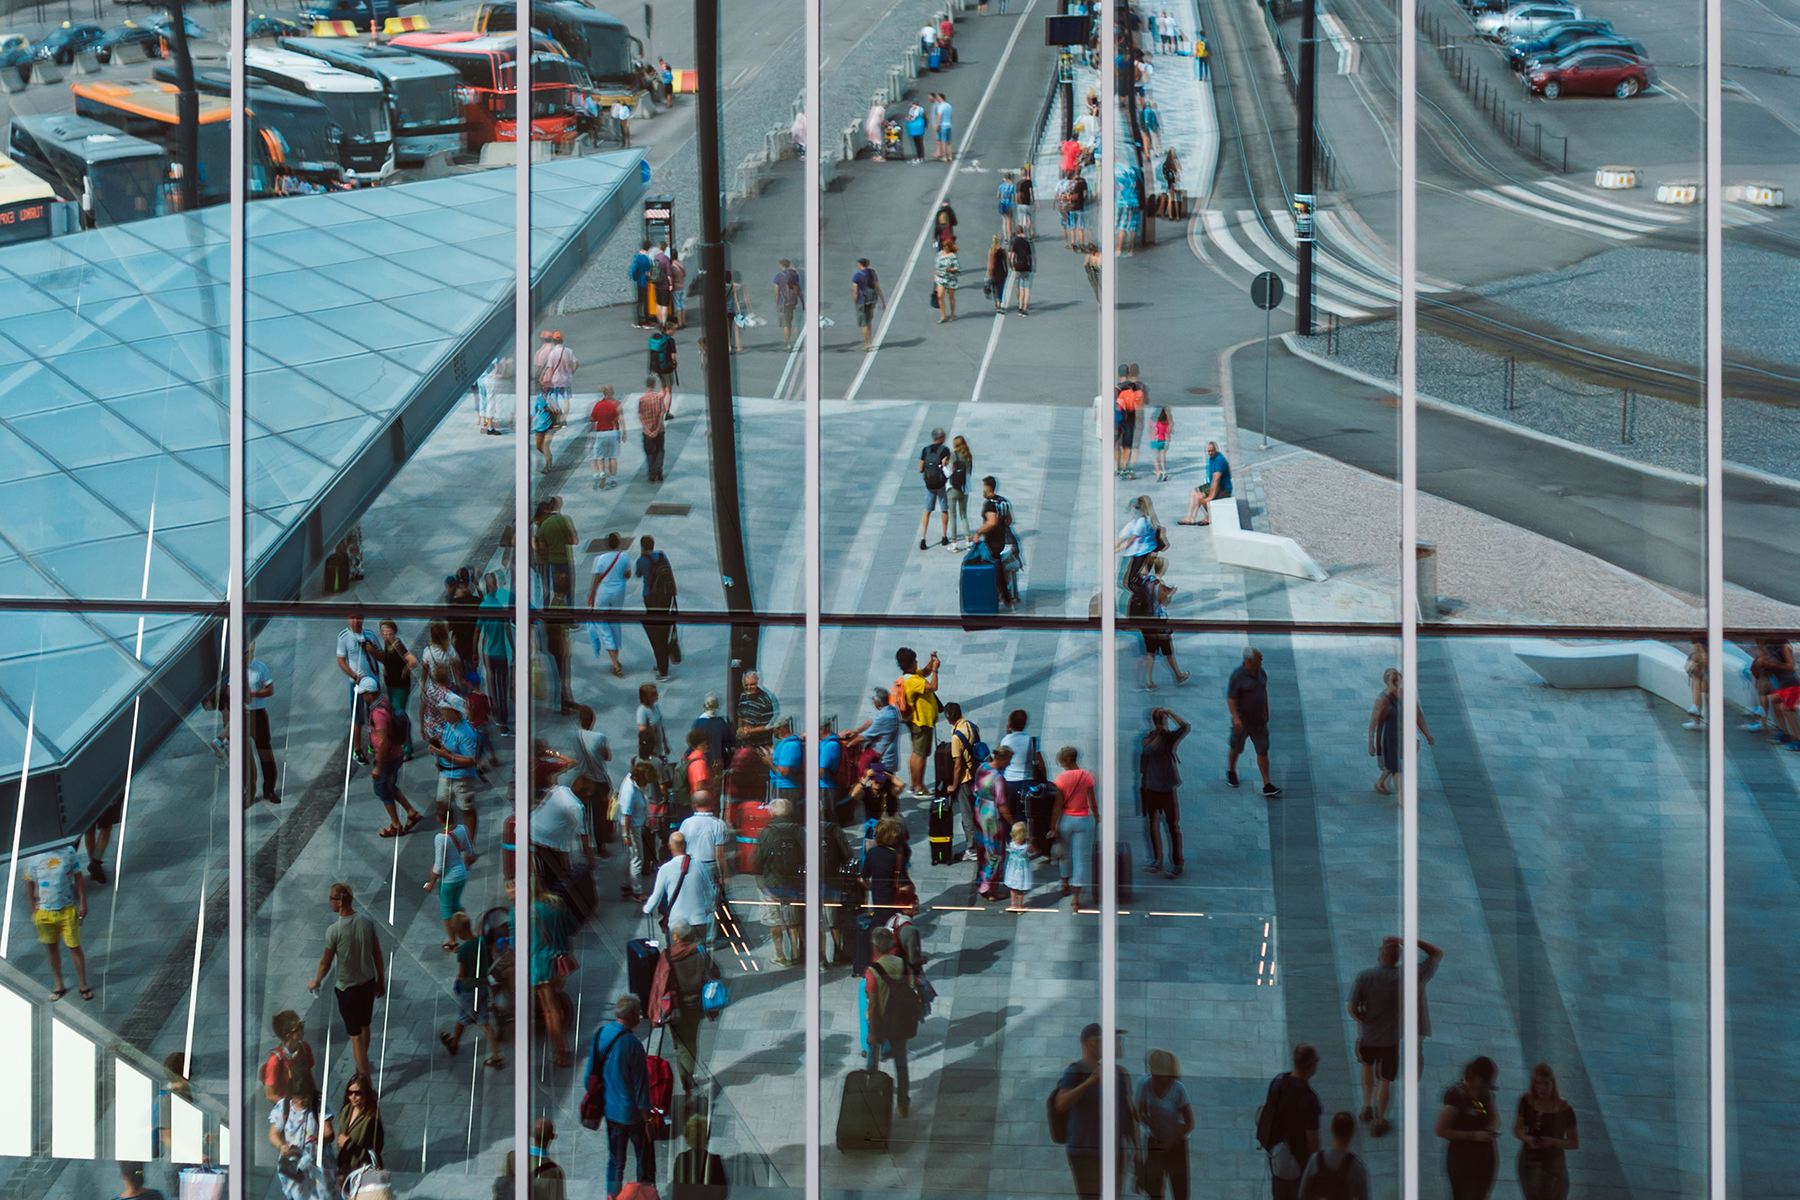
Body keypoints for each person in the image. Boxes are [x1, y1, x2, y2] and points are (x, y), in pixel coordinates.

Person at [306, 883, 384, 1081]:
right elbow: (377, 953)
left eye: (331, 898)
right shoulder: (367, 921)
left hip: (347, 990)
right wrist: (381, 979)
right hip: (367, 982)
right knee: (365, 1025)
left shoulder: (334, 930)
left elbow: (326, 962)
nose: (329, 901)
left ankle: (365, 1082)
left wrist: (316, 981)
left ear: (340, 902)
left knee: (355, 1036)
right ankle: (361, 1065)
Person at [1054, 1023, 1136, 1200]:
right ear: (1091, 1043)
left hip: (1114, 1151)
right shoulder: (1075, 1071)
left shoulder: (1119, 1073)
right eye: (1110, 1039)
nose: (1116, 1043)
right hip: (1084, 1151)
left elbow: (1128, 1114)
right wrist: (1089, 1082)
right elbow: (1061, 1103)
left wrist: (1137, 1150)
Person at [588, 995, 656, 1197]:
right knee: (644, 1160)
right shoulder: (634, 1045)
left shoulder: (600, 1035)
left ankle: (612, 1196)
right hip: (634, 1117)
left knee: (616, 1162)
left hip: (612, 1113)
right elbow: (642, 1091)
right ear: (633, 1014)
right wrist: (649, 1121)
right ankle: (643, 1195)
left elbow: (589, 1077)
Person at [24, 841, 90, 1000]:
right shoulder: (33, 856)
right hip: (45, 913)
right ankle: (58, 984)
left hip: (66, 909)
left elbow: (78, 876)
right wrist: (33, 908)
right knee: (51, 947)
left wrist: (82, 901)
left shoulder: (68, 851)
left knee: (74, 947)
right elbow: (30, 883)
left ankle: (83, 985)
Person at [439, 910, 502, 1067]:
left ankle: (454, 1044)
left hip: (469, 989)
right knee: (485, 1021)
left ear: (459, 932)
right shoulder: (481, 941)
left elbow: (462, 972)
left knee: (462, 1019)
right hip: (483, 986)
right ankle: (496, 1054)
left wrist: (457, 984)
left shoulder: (463, 950)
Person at [863, 927, 914, 1118]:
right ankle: (903, 1104)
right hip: (899, 1019)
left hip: (880, 1021)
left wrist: (873, 1032)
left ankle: (871, 1099)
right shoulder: (901, 963)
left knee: (872, 1063)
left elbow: (874, 1004)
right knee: (901, 1064)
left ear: (875, 946)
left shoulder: (872, 971)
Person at [366, 679, 425, 839]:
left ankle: (396, 826)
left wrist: (378, 766)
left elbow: (383, 741)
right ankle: (411, 813)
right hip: (396, 753)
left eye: (364, 693)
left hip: (387, 758)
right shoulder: (384, 701)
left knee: (383, 790)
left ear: (370, 693)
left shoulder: (378, 712)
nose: (363, 697)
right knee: (391, 786)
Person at [1264, 1044, 1322, 1200]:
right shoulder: (1309, 1099)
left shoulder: (1278, 1082)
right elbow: (1313, 1141)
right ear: (1311, 1066)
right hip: (1299, 1165)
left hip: (1276, 1157)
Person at [1437, 1057, 1500, 1200]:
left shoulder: (1485, 1095)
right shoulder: (1455, 1096)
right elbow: (1441, 1130)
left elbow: (1493, 1116)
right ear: (1475, 1077)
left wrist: (1491, 1125)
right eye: (1484, 1083)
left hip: (1484, 1158)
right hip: (1462, 1159)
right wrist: (1472, 1135)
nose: (1486, 1087)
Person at [1514, 1063, 1578, 1200]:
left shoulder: (1564, 1108)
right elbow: (1518, 1129)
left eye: (1546, 1084)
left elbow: (1574, 1142)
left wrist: (1553, 1142)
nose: (1542, 1088)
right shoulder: (1527, 1101)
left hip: (1553, 1160)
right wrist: (1529, 1139)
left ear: (1552, 1084)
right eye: (1538, 1083)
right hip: (1530, 1158)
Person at [1137, 1049, 1194, 1200]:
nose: (1154, 1074)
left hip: (1176, 1145)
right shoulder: (1146, 1085)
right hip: (1155, 1142)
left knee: (1180, 1189)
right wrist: (1149, 1121)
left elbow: (1189, 1123)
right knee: (1154, 1189)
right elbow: (1140, 1111)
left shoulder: (1178, 1089)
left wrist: (1170, 1144)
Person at [754, 797, 805, 966]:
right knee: (793, 921)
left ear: (771, 813)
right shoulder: (798, 830)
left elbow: (756, 861)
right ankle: (796, 954)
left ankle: (780, 955)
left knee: (774, 922)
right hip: (793, 883)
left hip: (771, 886)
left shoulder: (766, 832)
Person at [268, 1074, 335, 1200]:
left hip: (318, 1166)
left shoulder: (318, 1105)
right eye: (296, 1099)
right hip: (294, 1165)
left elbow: (330, 1134)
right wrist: (281, 1146)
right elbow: (273, 1134)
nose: (299, 1102)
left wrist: (320, 1140)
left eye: (303, 1099)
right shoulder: (283, 1106)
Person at [1139, 707, 1189, 876]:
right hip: (1151, 789)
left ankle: (1177, 862)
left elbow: (1185, 727)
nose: (1163, 725)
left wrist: (1171, 713)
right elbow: (1149, 750)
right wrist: (1159, 734)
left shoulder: (1169, 738)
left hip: (1167, 789)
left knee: (1172, 826)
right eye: (1160, 722)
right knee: (1152, 825)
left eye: (1164, 722)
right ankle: (1156, 859)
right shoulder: (1149, 737)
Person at [1369, 668, 1435, 796]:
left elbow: (1419, 715)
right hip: (1390, 737)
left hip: (1408, 737)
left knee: (1397, 762)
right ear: (1387, 681)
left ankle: (1380, 782)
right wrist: (1371, 742)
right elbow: (1373, 722)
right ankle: (1402, 798)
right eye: (1392, 679)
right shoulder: (1382, 699)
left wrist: (1427, 735)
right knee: (1396, 767)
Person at [1227, 648, 1281, 797]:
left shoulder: (1261, 673)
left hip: (1259, 721)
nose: (1261, 661)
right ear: (1250, 661)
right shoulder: (1237, 676)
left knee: (1262, 750)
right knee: (1236, 747)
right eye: (1259, 658)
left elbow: (1264, 691)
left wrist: (1267, 710)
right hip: (1243, 722)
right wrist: (1236, 718)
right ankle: (1231, 771)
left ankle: (1267, 784)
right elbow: (1231, 698)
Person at [428, 692, 481, 841]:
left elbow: (472, 760)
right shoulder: (449, 726)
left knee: (467, 810)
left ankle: (469, 846)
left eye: (444, 709)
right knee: (441, 805)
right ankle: (452, 837)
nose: (441, 711)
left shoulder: (465, 733)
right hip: (446, 773)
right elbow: (448, 747)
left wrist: (445, 756)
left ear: (454, 711)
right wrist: (439, 749)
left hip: (462, 777)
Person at [645, 831, 714, 941]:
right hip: (699, 921)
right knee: (698, 955)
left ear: (669, 846)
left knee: (677, 956)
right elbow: (710, 893)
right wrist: (706, 910)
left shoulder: (665, 869)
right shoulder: (699, 865)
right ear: (685, 845)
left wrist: (647, 909)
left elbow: (656, 898)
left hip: (677, 924)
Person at [334, 609, 383, 764]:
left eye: (359, 618)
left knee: (374, 716)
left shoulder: (370, 635)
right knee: (357, 718)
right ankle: (357, 749)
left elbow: (381, 656)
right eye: (352, 618)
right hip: (356, 684)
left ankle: (372, 744)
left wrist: (373, 652)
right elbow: (341, 661)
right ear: (348, 618)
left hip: (373, 681)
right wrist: (355, 676)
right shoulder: (343, 637)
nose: (355, 622)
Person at [1051, 746, 1098, 907]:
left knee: (1065, 854)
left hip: (1066, 819)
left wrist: (1053, 826)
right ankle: (1076, 898)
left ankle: (1065, 883)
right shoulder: (1087, 777)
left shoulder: (1061, 779)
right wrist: (1097, 816)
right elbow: (1092, 801)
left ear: (1068, 760)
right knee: (1079, 859)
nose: (1062, 765)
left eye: (1063, 761)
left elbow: (1058, 805)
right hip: (1082, 820)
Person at [1134, 557, 1189, 690]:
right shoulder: (1160, 584)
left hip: (1146, 622)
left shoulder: (1146, 580)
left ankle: (1149, 681)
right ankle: (1178, 675)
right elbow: (1164, 602)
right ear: (1163, 568)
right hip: (1159, 622)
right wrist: (1171, 593)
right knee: (1168, 652)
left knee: (1150, 653)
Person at [424, 810, 475, 950]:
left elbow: (439, 866)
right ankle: (469, 934)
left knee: (446, 909)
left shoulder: (440, 838)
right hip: (462, 875)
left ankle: (452, 942)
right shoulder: (462, 829)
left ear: (439, 818)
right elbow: (469, 850)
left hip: (449, 879)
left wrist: (431, 883)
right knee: (456, 903)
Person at [894, 647, 942, 798]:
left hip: (916, 721)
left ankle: (914, 784)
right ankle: (920, 788)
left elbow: (925, 671)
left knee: (916, 752)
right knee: (921, 754)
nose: (917, 663)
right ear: (910, 664)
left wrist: (932, 661)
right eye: (915, 661)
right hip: (921, 722)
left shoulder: (909, 676)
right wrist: (936, 671)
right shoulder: (913, 681)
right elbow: (933, 686)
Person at [635, 535, 678, 681]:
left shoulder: (641, 561)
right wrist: (674, 587)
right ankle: (661, 663)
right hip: (666, 596)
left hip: (651, 598)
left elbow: (638, 574)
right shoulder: (661, 555)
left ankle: (663, 670)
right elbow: (669, 571)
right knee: (663, 628)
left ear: (642, 547)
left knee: (656, 633)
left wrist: (642, 556)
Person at [1298, 1112, 1368, 1200]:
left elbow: (1302, 1195)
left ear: (1332, 1129)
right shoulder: (1357, 1167)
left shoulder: (1315, 1159)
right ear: (1352, 1133)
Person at [243, 644, 281, 805]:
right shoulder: (234, 669)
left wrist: (253, 694)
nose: (249, 655)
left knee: (265, 752)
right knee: (245, 756)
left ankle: (269, 789)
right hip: (243, 715)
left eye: (251, 652)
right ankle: (249, 792)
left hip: (258, 714)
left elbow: (270, 690)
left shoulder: (259, 667)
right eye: (247, 653)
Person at [477, 572, 514, 734]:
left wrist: (474, 650)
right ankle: (504, 721)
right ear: (496, 587)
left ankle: (496, 715)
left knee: (492, 685)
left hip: (489, 653)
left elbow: (478, 632)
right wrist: (513, 648)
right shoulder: (500, 606)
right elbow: (507, 630)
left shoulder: (484, 606)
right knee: (503, 687)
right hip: (502, 654)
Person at [333, 1074, 384, 1190]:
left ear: (365, 1094)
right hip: (345, 1170)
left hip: (363, 1173)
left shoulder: (372, 1121)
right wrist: (340, 1171)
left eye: (357, 1093)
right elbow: (340, 1146)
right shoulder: (345, 1111)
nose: (353, 1097)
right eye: (350, 1093)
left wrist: (348, 1144)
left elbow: (373, 1154)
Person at [973, 745, 1011, 898]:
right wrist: (1014, 823)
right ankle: (992, 891)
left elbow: (975, 788)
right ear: (1002, 759)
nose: (1008, 764)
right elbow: (1002, 805)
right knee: (996, 853)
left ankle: (982, 883)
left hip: (979, 811)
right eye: (1008, 761)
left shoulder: (982, 767)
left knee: (983, 850)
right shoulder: (998, 778)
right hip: (992, 817)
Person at [977, 476, 1019, 607]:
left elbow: (991, 522)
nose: (983, 490)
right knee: (1002, 568)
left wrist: (978, 532)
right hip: (1006, 539)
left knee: (996, 568)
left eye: (984, 488)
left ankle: (1005, 597)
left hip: (994, 541)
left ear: (988, 488)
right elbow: (1010, 520)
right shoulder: (1004, 501)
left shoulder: (990, 504)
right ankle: (1011, 594)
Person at [500, 1118, 566, 1200]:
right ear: (553, 1136)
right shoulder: (555, 1171)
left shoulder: (512, 1157)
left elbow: (503, 1189)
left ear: (531, 1134)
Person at [616, 762, 654, 900]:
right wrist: (626, 835)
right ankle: (637, 891)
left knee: (631, 857)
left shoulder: (630, 779)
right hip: (633, 828)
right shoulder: (630, 791)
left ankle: (627, 884)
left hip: (636, 824)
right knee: (638, 858)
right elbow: (626, 814)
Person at [262, 1010, 316, 1103]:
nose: (303, 1029)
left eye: (302, 1025)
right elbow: (270, 1095)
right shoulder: (275, 1060)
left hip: (306, 1101)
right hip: (289, 1107)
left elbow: (309, 1075)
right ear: (288, 1035)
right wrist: (290, 1108)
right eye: (299, 1028)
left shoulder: (305, 1047)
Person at [672, 1115, 728, 1196]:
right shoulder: (714, 1160)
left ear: (687, 1137)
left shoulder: (681, 1159)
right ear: (706, 1137)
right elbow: (723, 1192)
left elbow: (677, 1192)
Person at [917, 428, 953, 550]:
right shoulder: (945, 450)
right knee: (944, 509)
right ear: (942, 437)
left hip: (929, 485)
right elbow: (948, 467)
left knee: (927, 510)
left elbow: (920, 469)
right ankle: (944, 536)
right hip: (941, 484)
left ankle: (923, 538)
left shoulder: (925, 450)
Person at [1181, 441, 1232, 525]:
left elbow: (1216, 480)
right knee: (1193, 492)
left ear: (1216, 449)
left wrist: (1211, 496)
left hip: (1223, 488)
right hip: (1212, 484)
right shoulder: (1211, 458)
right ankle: (1190, 518)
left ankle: (1210, 517)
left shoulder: (1219, 460)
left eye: (1212, 451)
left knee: (1201, 497)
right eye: (1208, 451)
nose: (1210, 453)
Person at [1116, 495, 1162, 586]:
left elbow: (1131, 541)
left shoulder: (1140, 522)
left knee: (1131, 581)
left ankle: (1145, 597)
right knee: (1135, 578)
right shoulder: (1149, 520)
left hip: (1140, 552)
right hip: (1146, 552)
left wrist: (1116, 550)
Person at [638, 376, 672, 484]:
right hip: (659, 429)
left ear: (646, 385)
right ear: (654, 385)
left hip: (647, 431)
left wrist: (647, 429)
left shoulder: (642, 399)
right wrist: (657, 428)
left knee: (649, 451)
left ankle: (652, 471)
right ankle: (658, 470)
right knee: (660, 450)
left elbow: (641, 415)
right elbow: (662, 413)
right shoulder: (659, 398)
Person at [947, 435, 976, 550]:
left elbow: (949, 472)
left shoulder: (952, 456)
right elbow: (969, 473)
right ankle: (968, 542)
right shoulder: (968, 457)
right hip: (964, 489)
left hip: (953, 489)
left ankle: (954, 544)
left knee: (953, 516)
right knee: (963, 515)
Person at [851, 258, 886, 351]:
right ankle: (869, 340)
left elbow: (855, 292)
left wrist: (855, 302)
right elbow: (877, 287)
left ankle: (867, 343)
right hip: (871, 300)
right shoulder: (872, 274)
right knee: (869, 320)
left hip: (862, 302)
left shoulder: (857, 276)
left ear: (860, 264)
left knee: (864, 323)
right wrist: (883, 301)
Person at [773, 259, 803, 352]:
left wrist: (776, 304)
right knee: (789, 322)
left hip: (783, 303)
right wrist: (802, 301)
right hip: (792, 302)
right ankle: (792, 341)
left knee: (785, 324)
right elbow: (799, 289)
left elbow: (776, 293)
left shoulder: (778, 276)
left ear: (781, 265)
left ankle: (789, 344)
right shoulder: (794, 275)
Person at [1002, 820, 1033, 909]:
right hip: (1023, 869)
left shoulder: (1011, 844)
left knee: (1013, 887)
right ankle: (1020, 906)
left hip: (1013, 868)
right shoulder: (1026, 846)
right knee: (1021, 890)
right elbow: (1031, 851)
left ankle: (1012, 903)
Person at [1008, 226, 1034, 315]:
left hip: (1018, 266)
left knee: (1018, 286)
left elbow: (1012, 255)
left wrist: (1012, 266)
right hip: (1025, 266)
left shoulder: (1015, 242)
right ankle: (1024, 307)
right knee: (1025, 287)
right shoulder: (1026, 242)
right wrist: (1030, 266)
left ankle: (1019, 304)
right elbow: (1029, 256)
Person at [934, 238, 960, 321]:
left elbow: (958, 268)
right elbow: (937, 267)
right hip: (941, 278)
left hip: (950, 279)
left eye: (946, 246)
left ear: (949, 247)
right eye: (943, 246)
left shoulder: (953, 256)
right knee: (940, 296)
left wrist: (951, 269)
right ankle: (943, 315)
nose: (944, 248)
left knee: (951, 297)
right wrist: (935, 275)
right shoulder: (939, 255)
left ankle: (952, 314)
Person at [647, 322, 678, 390]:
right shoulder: (670, 340)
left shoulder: (657, 337)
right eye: (673, 329)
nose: (674, 331)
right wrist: (675, 363)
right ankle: (665, 401)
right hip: (667, 367)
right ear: (669, 330)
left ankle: (659, 399)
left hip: (657, 366)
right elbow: (673, 356)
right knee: (669, 389)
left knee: (663, 386)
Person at [985, 233, 1009, 314]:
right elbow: (1005, 261)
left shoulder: (991, 251)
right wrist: (1006, 270)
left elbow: (990, 264)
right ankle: (1000, 300)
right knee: (1000, 287)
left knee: (995, 288)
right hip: (1001, 270)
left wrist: (988, 274)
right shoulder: (1002, 250)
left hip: (994, 272)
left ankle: (997, 303)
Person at [1149, 408, 1172, 482]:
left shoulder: (1155, 422)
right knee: (1162, 456)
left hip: (1155, 440)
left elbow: (1155, 432)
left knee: (1155, 457)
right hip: (1163, 440)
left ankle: (1158, 471)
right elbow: (1168, 431)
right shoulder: (1166, 423)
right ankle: (1164, 471)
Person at [1016, 163, 1036, 238]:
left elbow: (1017, 196)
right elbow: (1031, 192)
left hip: (1020, 204)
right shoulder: (1029, 182)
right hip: (1027, 204)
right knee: (1028, 219)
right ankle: (1030, 234)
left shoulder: (1018, 184)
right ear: (1026, 174)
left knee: (1021, 220)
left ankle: (1020, 234)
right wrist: (1033, 202)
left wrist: (1018, 202)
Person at [997, 170, 1016, 238]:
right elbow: (1013, 197)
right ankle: (1010, 235)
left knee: (1004, 221)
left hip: (1002, 204)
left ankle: (1005, 237)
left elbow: (998, 196)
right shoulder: (1011, 186)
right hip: (1009, 205)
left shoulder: (1001, 186)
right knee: (1009, 220)